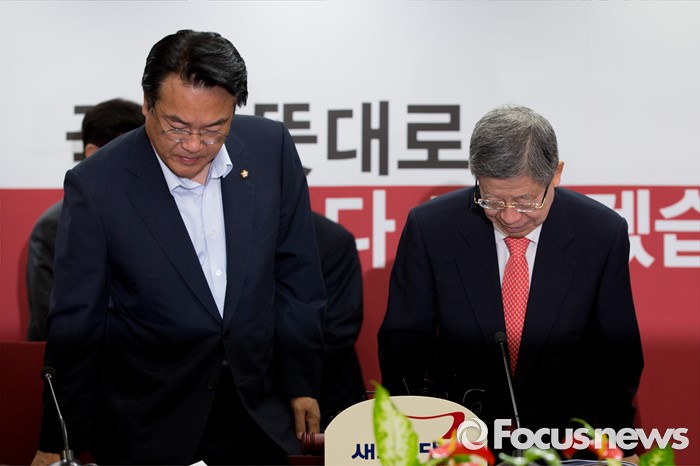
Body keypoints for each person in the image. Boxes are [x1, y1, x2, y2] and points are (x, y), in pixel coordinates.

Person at [32, 30, 326, 466]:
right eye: (176, 126)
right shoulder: (97, 184)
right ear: (147, 104)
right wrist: (60, 440)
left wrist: (301, 381)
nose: (192, 145)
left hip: (258, 412)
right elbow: (78, 321)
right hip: (151, 420)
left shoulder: (270, 149)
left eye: (214, 129)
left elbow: (297, 273)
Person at [378, 104, 643, 461]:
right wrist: (407, 436)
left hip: (565, 443)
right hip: (457, 440)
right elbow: (403, 347)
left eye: (525, 200)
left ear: (556, 174)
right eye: (492, 199)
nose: (509, 216)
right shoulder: (431, 229)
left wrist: (617, 446)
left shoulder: (600, 233)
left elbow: (617, 358)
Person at [26, 98, 144, 341]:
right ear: (92, 154)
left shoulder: (156, 215)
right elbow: (52, 323)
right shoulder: (54, 226)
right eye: (128, 153)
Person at [311, 211, 367, 430]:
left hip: (328, 402)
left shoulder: (332, 240)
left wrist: (294, 384)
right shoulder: (234, 238)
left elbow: (339, 330)